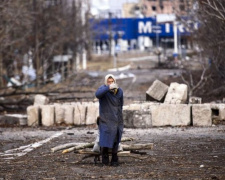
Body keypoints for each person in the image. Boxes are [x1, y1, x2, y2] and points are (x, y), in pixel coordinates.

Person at [95, 74, 124, 166]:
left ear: (115, 81)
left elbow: (121, 104)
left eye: (112, 82)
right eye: (108, 82)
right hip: (105, 118)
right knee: (105, 138)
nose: (110, 83)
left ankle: (114, 158)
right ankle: (105, 156)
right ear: (106, 82)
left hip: (117, 118)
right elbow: (97, 95)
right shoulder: (103, 90)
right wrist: (108, 88)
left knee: (116, 138)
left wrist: (119, 116)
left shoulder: (119, 91)